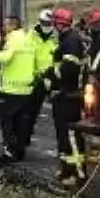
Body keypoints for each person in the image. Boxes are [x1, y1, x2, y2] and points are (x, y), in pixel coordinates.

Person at [49, 8, 91, 187]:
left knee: (71, 137)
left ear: (59, 24)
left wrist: (51, 73)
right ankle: (66, 170)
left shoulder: (71, 41)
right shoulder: (68, 39)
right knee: (63, 136)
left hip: (70, 96)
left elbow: (69, 69)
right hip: (64, 95)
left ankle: (78, 174)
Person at [0, 14, 37, 163]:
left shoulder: (12, 39)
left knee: (7, 121)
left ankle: (9, 152)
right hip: (26, 88)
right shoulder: (28, 38)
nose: (3, 28)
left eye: (5, 25)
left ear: (12, 26)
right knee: (21, 122)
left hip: (10, 89)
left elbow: (6, 58)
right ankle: (20, 151)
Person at [25, 9, 58, 139]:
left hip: (52, 77)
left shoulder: (56, 36)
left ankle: (63, 146)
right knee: (29, 112)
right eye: (44, 23)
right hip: (36, 78)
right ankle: (25, 138)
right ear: (39, 22)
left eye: (49, 23)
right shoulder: (31, 35)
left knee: (60, 115)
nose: (46, 26)